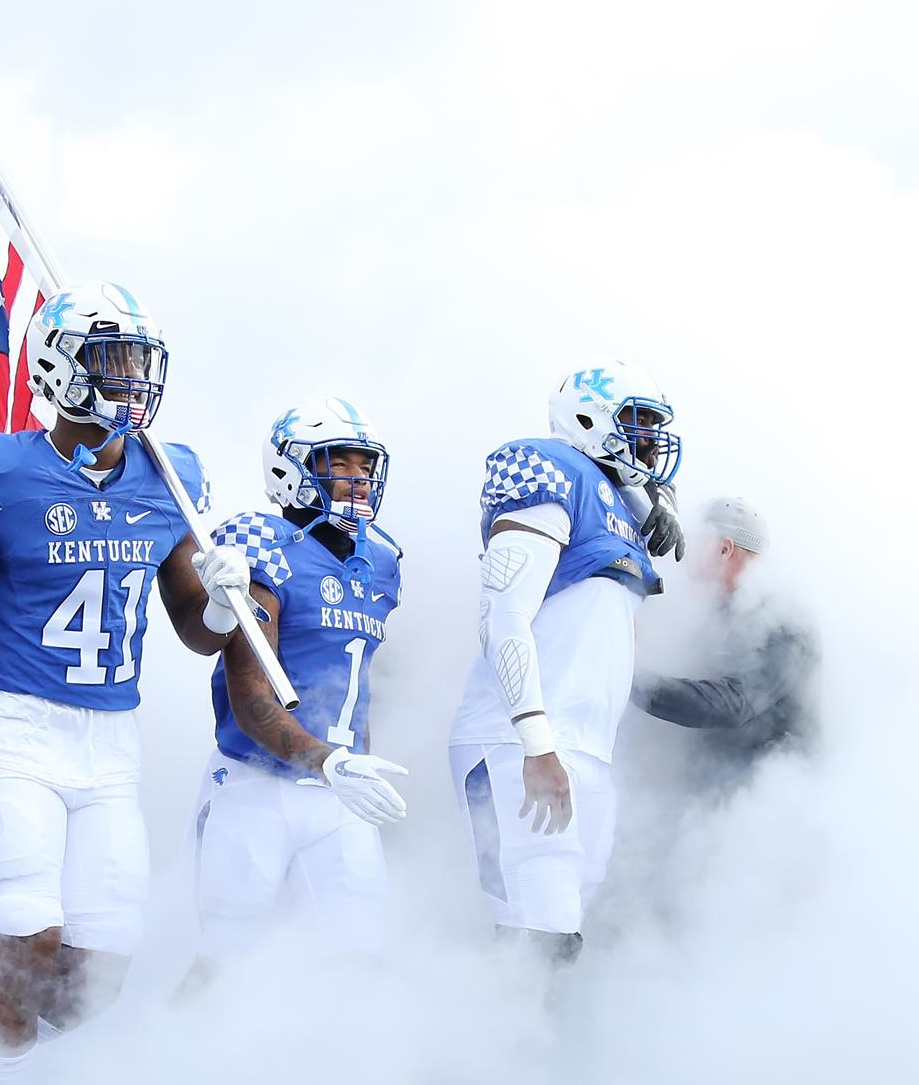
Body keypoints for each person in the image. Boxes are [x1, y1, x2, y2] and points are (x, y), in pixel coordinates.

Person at [0, 281, 247, 1081]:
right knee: (26, 953)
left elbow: (197, 635)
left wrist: (220, 602)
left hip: (111, 744)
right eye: (113, 360)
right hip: (14, 730)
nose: (132, 379)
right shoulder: (0, 471)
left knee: (91, 985)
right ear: (58, 367)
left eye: (140, 360)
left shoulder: (164, 476)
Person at [446, 364, 686, 965]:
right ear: (587, 418)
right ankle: (494, 1053)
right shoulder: (549, 466)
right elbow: (503, 617)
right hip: (521, 738)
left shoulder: (622, 506)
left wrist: (652, 498)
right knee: (540, 932)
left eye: (656, 429)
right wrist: (536, 743)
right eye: (638, 424)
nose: (649, 443)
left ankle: (525, 1053)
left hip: (584, 745)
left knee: (562, 925)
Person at [183, 398, 410, 988]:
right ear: (290, 468)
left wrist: (356, 765)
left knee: (360, 965)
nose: (358, 478)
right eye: (341, 462)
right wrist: (331, 761)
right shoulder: (263, 545)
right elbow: (254, 702)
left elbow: (355, 689)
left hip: (339, 791)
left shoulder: (381, 561)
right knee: (223, 969)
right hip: (255, 785)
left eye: (366, 465)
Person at [634, 497, 820, 786]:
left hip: (769, 803)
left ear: (724, 549)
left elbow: (732, 704)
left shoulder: (783, 620)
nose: (685, 559)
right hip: (716, 793)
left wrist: (632, 682)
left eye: (695, 545)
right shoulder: (723, 611)